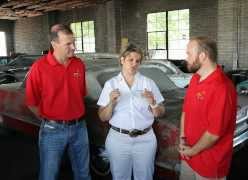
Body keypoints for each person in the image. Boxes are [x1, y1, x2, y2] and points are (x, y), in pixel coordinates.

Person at [25, 24, 91, 180]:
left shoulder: (79, 64)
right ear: (54, 44)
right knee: (49, 175)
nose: (74, 47)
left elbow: (80, 95)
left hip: (80, 128)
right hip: (52, 130)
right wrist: (50, 120)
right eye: (68, 43)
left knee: (83, 174)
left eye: (74, 42)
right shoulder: (39, 68)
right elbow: (31, 102)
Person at [97, 44, 165, 180]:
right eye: (130, 60)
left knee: (145, 177)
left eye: (137, 61)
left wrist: (153, 102)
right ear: (122, 60)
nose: (134, 64)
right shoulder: (111, 84)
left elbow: (160, 112)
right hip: (118, 140)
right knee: (120, 177)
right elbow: (103, 117)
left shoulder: (148, 83)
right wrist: (111, 102)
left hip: (145, 140)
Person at [179, 37, 237, 180]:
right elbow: (185, 112)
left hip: (210, 163)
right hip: (188, 156)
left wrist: (192, 151)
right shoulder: (195, 79)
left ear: (202, 56)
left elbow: (213, 134)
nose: (186, 58)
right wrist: (182, 139)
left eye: (189, 54)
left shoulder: (221, 87)